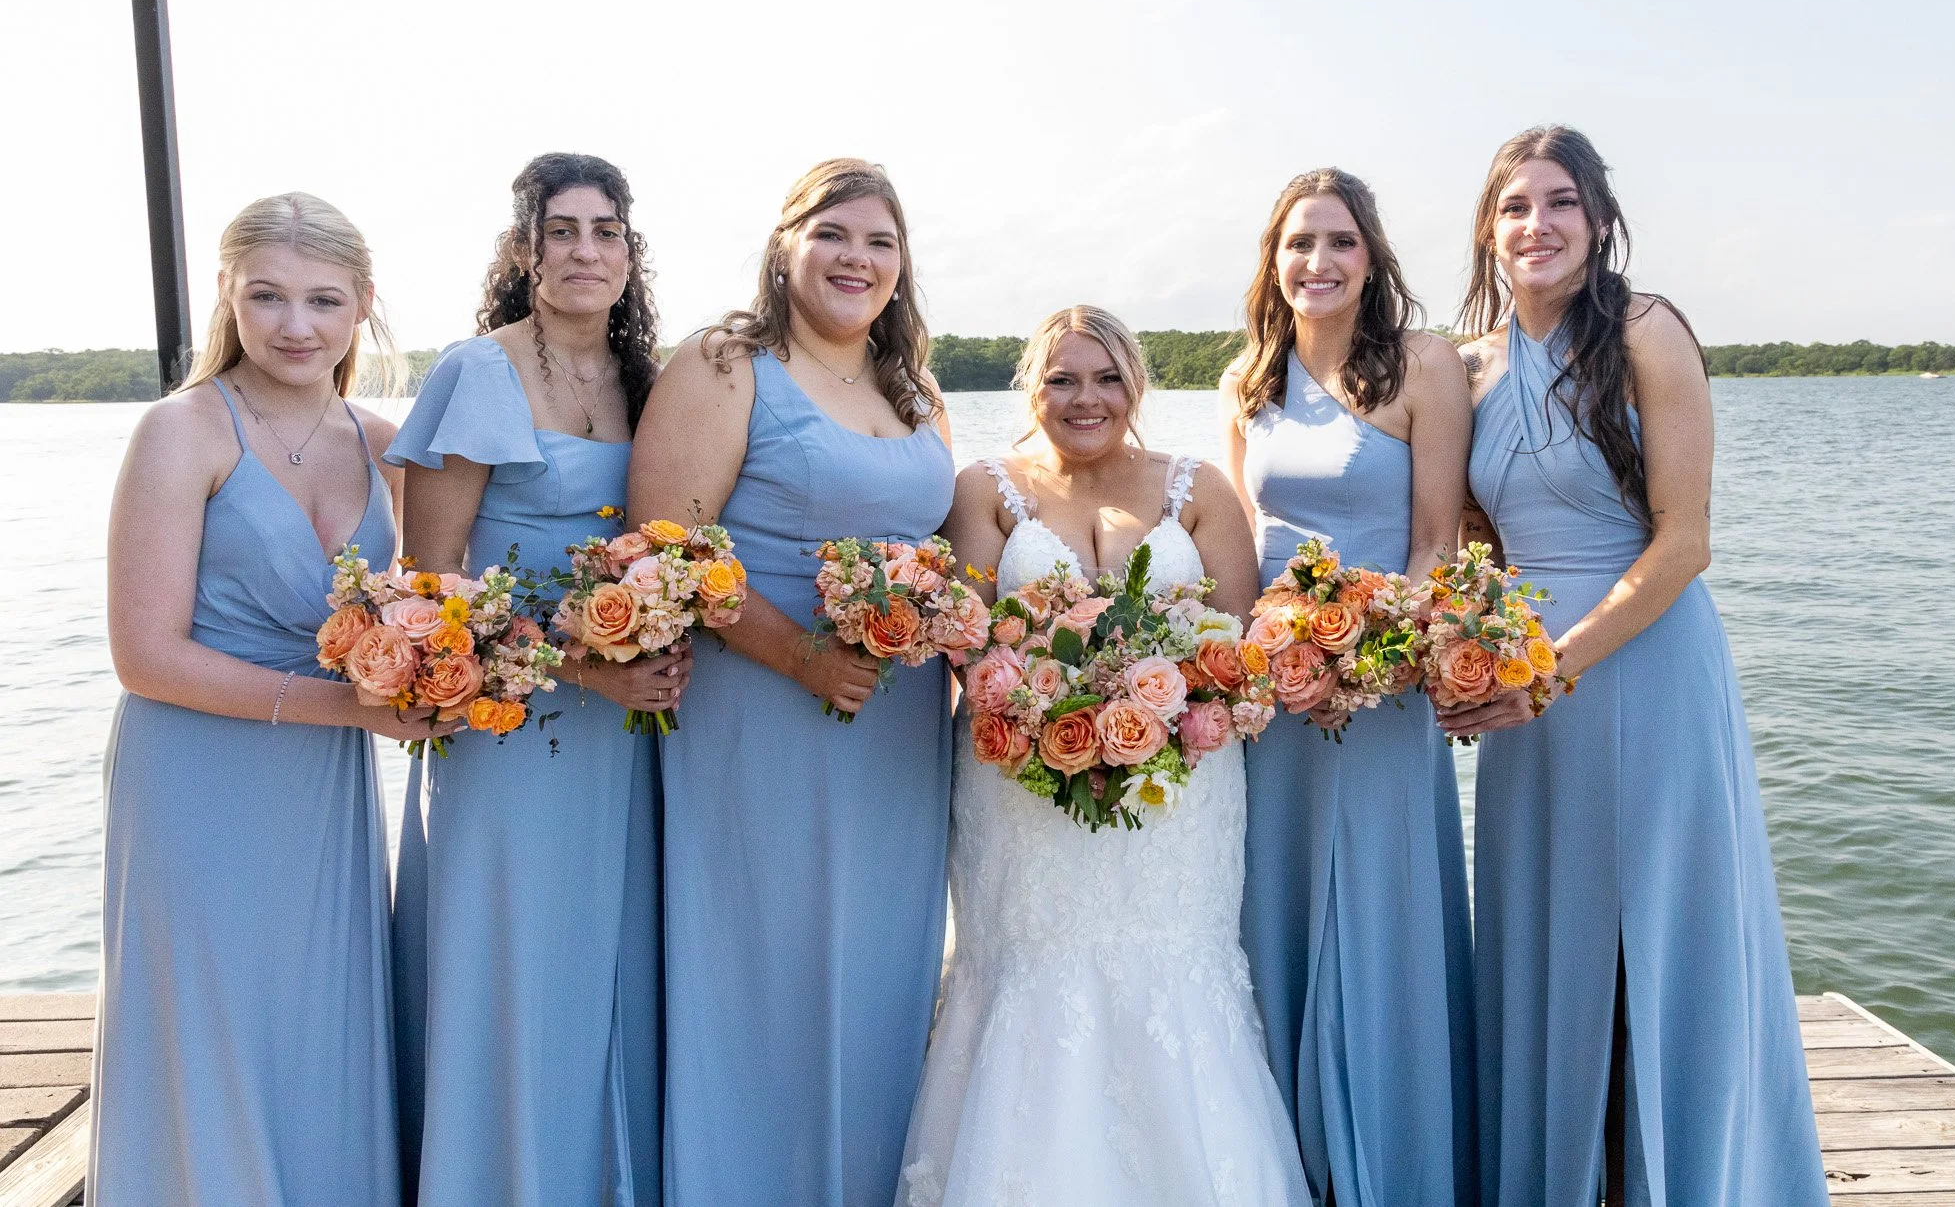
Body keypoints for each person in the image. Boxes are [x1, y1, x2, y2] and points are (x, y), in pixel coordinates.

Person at [1450, 125, 1827, 1205]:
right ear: (1487, 229)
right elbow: (1477, 537)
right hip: (1528, 694)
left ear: (1599, 221)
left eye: (1559, 201)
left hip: (1643, 667)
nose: (1537, 224)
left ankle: (1689, 1177)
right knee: (1549, 937)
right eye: (1515, 206)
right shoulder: (1468, 366)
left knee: (1661, 926)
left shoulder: (1646, 331)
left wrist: (1552, 667)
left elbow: (1684, 540)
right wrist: (1463, 652)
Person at [897, 304, 1312, 1207]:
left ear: (1137, 385)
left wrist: (1159, 708)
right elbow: (971, 646)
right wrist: (1045, 703)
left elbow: (1237, 655)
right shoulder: (986, 487)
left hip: (1181, 795)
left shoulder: (1196, 486)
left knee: (1175, 970)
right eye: (1061, 379)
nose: (1086, 398)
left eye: (1107, 378)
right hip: (1021, 790)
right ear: (1030, 389)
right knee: (1028, 974)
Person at [629, 158, 956, 1207]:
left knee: (879, 976)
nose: (856, 258)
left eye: (880, 241)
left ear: (901, 268)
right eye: (834, 234)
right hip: (763, 711)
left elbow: (943, 546)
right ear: (785, 246)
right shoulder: (727, 364)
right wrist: (803, 655)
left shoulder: (912, 388)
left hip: (901, 732)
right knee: (766, 969)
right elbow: (670, 545)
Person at [91, 193, 410, 1205]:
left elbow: (450, 596)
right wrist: (354, 711)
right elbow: (145, 656)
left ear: (362, 305)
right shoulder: (182, 430)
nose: (295, 325)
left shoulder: (385, 442)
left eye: (323, 299)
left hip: (320, 789)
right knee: (209, 1025)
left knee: (318, 1024)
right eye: (267, 295)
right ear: (227, 295)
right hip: (197, 781)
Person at [387, 154, 681, 1204]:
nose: (585, 250)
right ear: (524, 250)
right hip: (515, 716)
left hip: (634, 732)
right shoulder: (479, 371)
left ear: (629, 252)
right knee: (515, 964)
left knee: (608, 967)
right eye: (562, 230)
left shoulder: (648, 382)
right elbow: (435, 582)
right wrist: (585, 671)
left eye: (607, 231)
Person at [1221, 168, 1479, 1205]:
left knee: (1377, 906)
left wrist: (1368, 654)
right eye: (1296, 243)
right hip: (1272, 692)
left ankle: (1393, 1158)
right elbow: (1241, 548)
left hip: (1382, 684)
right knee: (1269, 900)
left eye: (1337, 242)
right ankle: (1285, 1159)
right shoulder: (1247, 381)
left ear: (1371, 259)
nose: (1315, 263)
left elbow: (1436, 540)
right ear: (1271, 261)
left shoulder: (1421, 366)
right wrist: (1263, 659)